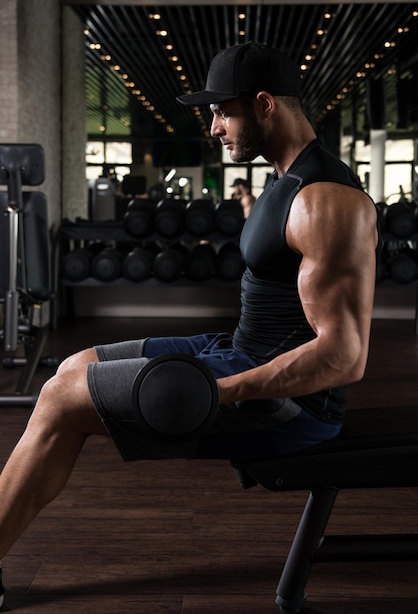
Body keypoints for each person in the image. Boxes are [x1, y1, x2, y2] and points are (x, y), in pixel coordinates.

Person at [0, 41, 379, 606]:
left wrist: (218, 391)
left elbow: (345, 356)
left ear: (264, 104)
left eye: (222, 112)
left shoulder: (325, 201)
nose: (214, 127)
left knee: (59, 401)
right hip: (239, 350)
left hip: (294, 409)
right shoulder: (286, 179)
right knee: (72, 367)